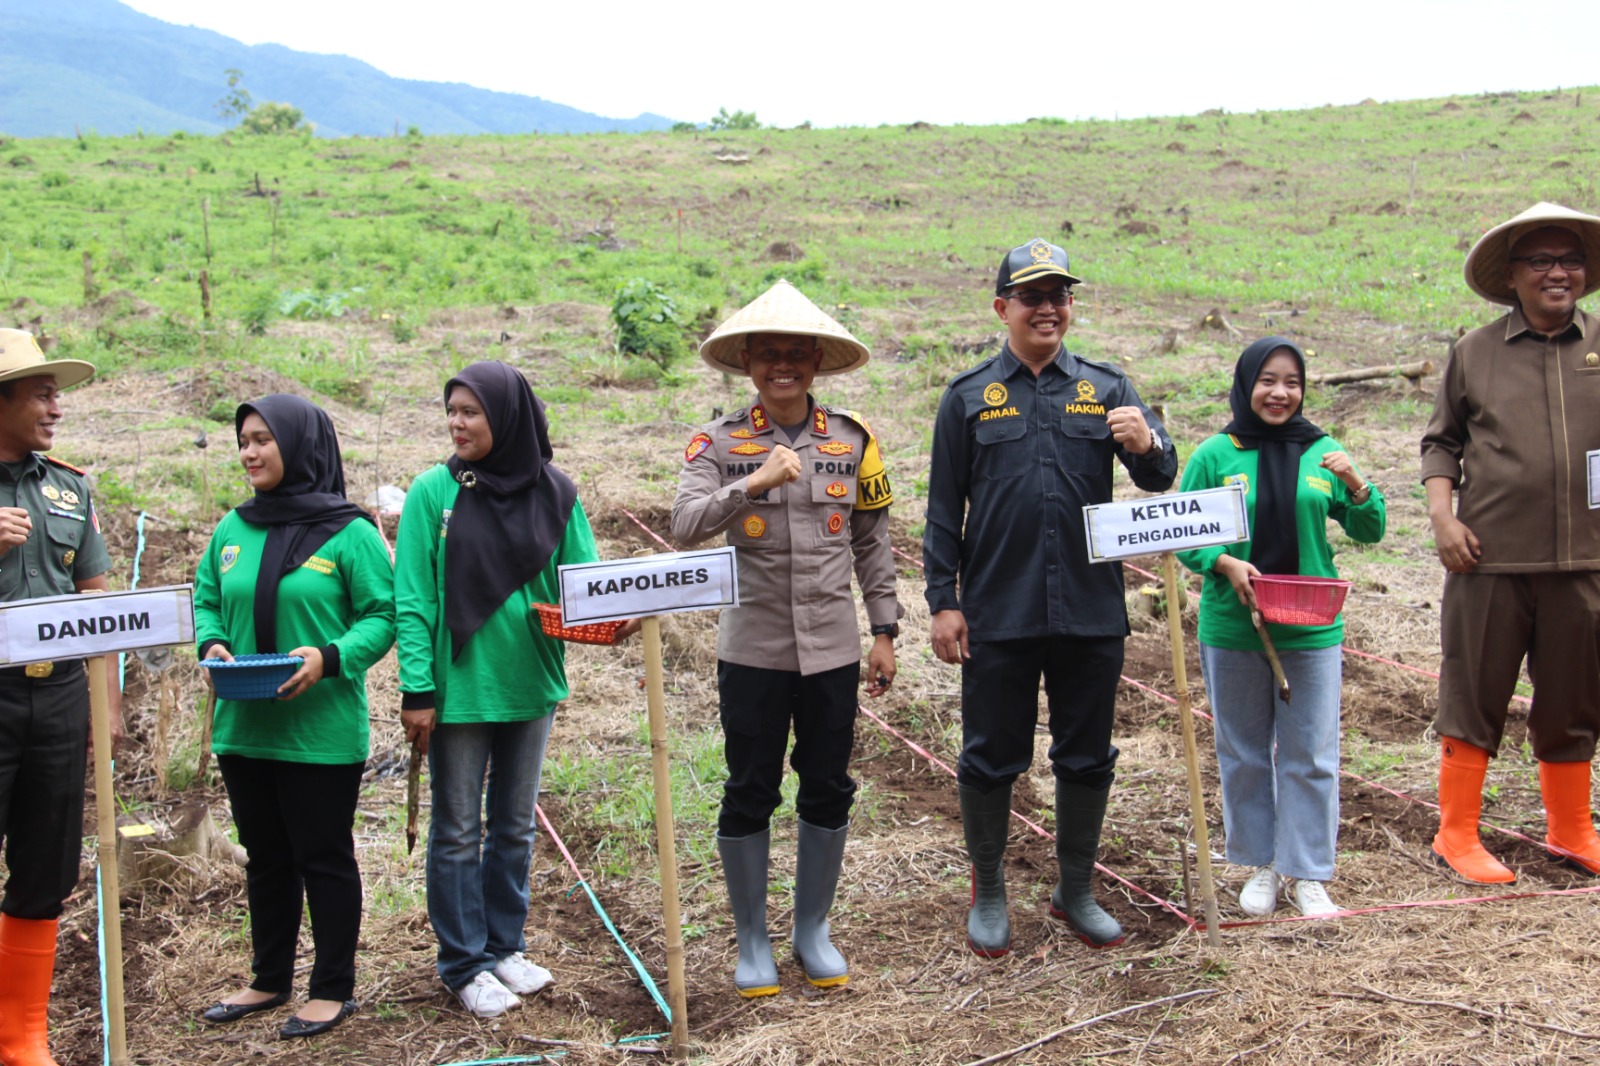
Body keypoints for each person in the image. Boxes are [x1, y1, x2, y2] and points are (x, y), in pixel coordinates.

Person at [923, 239, 1176, 957]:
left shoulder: (1107, 384)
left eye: (1059, 295)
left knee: (1087, 755)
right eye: (1032, 296)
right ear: (1002, 307)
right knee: (990, 754)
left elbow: (1160, 480)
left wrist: (1149, 443)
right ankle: (992, 890)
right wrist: (944, 600)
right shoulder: (967, 395)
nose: (1047, 308)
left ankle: (1075, 887)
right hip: (998, 609)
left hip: (1090, 609)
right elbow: (944, 509)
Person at [672, 280, 900, 997]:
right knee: (749, 788)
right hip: (753, 653)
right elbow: (683, 526)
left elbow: (872, 542)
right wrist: (755, 483)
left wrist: (886, 630)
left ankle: (812, 930)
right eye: (768, 354)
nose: (783, 366)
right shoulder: (718, 442)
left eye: (796, 354)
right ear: (747, 364)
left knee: (828, 786)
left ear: (816, 363)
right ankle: (751, 941)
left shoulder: (851, 440)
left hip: (833, 649)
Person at [396, 362, 631, 1019]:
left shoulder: (555, 493)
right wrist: (417, 686)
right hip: (459, 688)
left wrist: (620, 611)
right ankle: (463, 962)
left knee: (513, 828)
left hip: (530, 681)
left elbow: (583, 583)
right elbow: (412, 600)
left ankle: (504, 946)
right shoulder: (431, 494)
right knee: (456, 829)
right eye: (452, 411)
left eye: (471, 411)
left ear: (508, 416)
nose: (457, 423)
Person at [193, 394, 395, 1039]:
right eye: (243, 440)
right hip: (244, 725)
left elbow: (383, 617)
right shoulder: (233, 527)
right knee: (266, 856)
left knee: (323, 857)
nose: (249, 452)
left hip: (320, 729)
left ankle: (332, 987)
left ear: (300, 445)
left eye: (262, 440)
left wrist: (330, 656)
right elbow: (205, 601)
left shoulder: (351, 532)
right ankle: (268, 977)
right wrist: (212, 645)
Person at [1421, 201, 1600, 884]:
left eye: (1571, 259)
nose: (1559, 272)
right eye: (1543, 261)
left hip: (1584, 559)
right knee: (1474, 690)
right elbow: (1441, 443)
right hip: (1487, 557)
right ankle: (1456, 833)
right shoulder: (1476, 352)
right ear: (1515, 275)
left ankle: (1572, 828)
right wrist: (1443, 519)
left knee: (1576, 697)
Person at [1176, 338, 1386, 917]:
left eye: (1292, 382)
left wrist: (1358, 484)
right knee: (1244, 750)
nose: (1280, 393)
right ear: (1247, 385)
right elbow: (1184, 531)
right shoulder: (1216, 454)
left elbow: (1369, 530)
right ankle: (1262, 863)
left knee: (1310, 752)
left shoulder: (1323, 451)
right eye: (1268, 380)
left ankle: (1307, 870)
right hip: (1234, 625)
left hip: (1311, 627)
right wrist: (1223, 561)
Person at [0, 330, 121, 1066]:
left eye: (57, 393)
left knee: (48, 865)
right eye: (42, 392)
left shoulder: (69, 488)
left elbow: (98, 603)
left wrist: (102, 717)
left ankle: (22, 1036)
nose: (56, 407)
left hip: (58, 702)